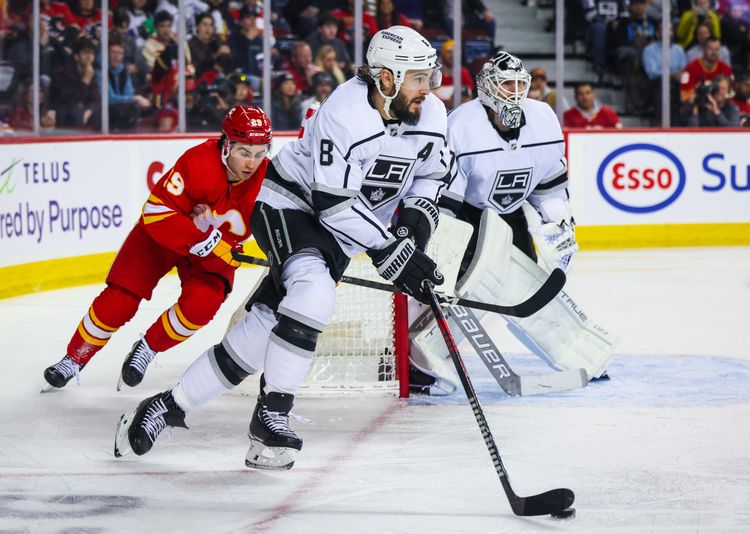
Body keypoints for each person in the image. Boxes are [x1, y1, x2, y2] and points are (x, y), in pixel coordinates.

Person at [114, 26, 449, 469]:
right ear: (386, 79)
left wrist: (411, 237)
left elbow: (431, 178)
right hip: (289, 203)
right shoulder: (346, 113)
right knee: (314, 292)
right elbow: (333, 205)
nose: (429, 89)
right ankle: (272, 415)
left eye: (430, 77)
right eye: (418, 79)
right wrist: (392, 251)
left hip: (345, 229)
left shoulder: (431, 115)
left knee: (260, 336)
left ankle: (166, 406)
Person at [412, 51, 612, 394]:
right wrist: (442, 249)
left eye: (521, 83)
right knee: (459, 292)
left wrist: (558, 226)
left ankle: (578, 355)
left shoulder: (543, 118)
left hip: (510, 215)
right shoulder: (461, 125)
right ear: (487, 89)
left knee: (528, 290)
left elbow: (549, 185)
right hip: (468, 215)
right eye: (506, 83)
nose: (515, 91)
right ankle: (423, 361)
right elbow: (447, 203)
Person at [42, 106, 271, 391]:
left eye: (260, 153)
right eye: (244, 153)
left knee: (202, 305)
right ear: (226, 145)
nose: (251, 163)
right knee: (119, 300)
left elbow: (280, 224)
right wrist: (201, 239)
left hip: (215, 249)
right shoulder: (198, 161)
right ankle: (74, 359)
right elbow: (156, 212)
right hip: (164, 236)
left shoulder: (267, 180)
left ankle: (147, 348)